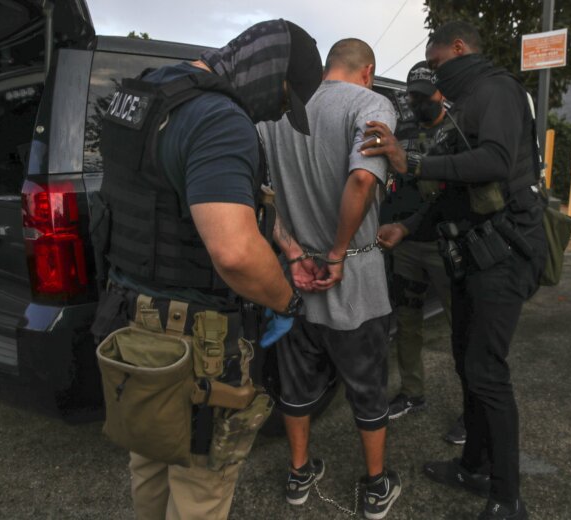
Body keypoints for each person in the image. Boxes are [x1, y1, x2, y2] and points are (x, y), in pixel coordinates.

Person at [90, 19, 322, 520]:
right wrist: (287, 301)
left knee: (149, 459)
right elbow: (235, 253)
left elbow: (195, 192)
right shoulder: (219, 118)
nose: (278, 114)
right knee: (201, 488)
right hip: (197, 341)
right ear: (270, 72)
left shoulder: (147, 92)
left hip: (130, 323)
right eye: (285, 100)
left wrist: (286, 244)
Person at [364, 21, 546, 520]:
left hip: (504, 253)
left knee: (488, 372)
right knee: (469, 365)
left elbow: (495, 161)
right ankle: (473, 467)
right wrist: (407, 228)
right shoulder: (465, 104)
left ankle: (507, 499)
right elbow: (450, 191)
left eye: (437, 62)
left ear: (460, 48)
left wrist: (413, 163)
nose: (436, 74)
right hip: (472, 255)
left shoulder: (498, 90)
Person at [258, 38, 402, 520]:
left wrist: (292, 250)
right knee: (367, 386)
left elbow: (258, 194)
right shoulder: (371, 104)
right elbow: (362, 178)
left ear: (326, 68)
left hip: (294, 278)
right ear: (368, 71)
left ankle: (299, 473)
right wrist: (338, 253)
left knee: (295, 385)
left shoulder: (275, 115)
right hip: (354, 277)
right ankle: (376, 486)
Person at [376, 61, 464, 427]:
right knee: (407, 322)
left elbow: (449, 191)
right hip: (407, 246)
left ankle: (474, 406)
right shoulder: (405, 127)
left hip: (445, 245)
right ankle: (412, 392)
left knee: (463, 328)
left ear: (441, 94)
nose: (417, 102)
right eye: (412, 96)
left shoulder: (456, 129)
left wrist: (406, 226)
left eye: (424, 96)